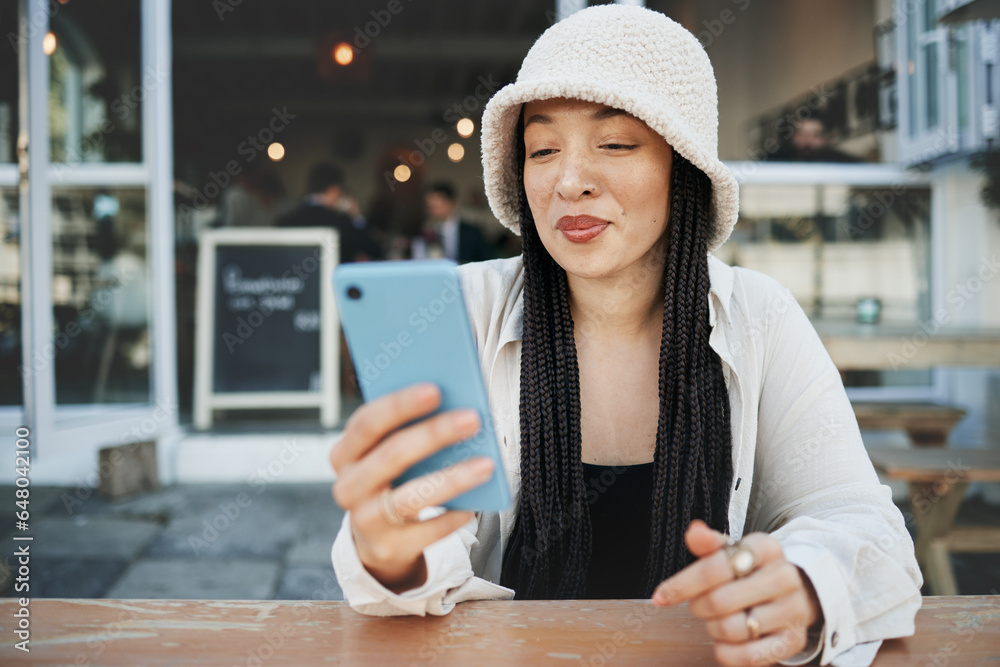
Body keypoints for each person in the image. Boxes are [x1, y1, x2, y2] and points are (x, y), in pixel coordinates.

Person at [329, 7, 921, 667]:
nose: (568, 180)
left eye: (614, 144)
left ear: (683, 166)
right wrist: (390, 550)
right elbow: (420, 543)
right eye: (543, 149)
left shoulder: (758, 317)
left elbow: (868, 534)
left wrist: (808, 582)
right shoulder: (469, 310)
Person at [277, 162, 382, 264]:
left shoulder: (284, 221)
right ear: (334, 189)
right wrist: (356, 217)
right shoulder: (343, 223)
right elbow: (375, 250)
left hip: (295, 281)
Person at [412, 181, 495, 264]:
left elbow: (487, 261)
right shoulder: (425, 233)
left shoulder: (472, 233)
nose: (435, 211)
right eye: (431, 206)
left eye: (438, 205)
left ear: (453, 203)